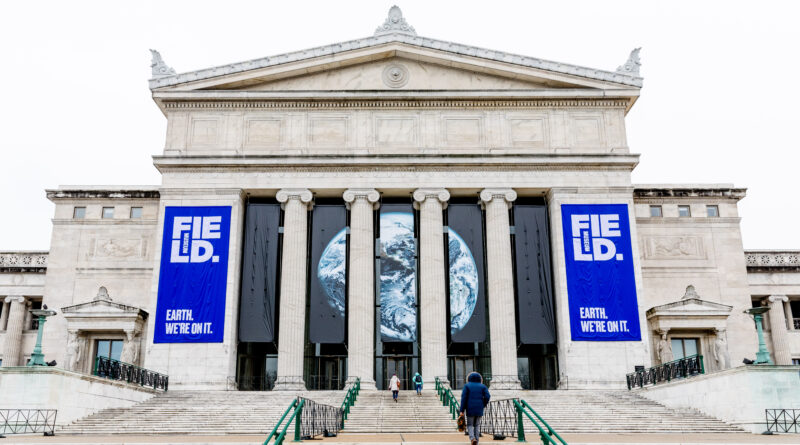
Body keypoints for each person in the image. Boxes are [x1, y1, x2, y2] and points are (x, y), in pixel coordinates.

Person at [460, 372, 490, 445]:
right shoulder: (483, 386)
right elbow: (487, 396)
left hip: (470, 408)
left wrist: (462, 410)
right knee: (477, 425)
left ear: (469, 378)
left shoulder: (467, 386)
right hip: (479, 408)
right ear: (480, 379)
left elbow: (464, 398)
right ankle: (477, 441)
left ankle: (472, 438)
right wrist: (483, 404)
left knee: (470, 425)